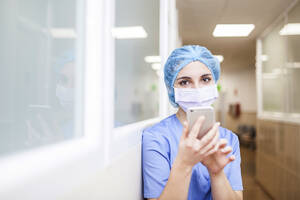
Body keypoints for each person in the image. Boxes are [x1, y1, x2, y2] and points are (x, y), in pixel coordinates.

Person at [142, 45, 243, 200]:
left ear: (214, 82)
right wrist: (184, 164)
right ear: (171, 89)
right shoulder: (156, 137)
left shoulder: (229, 140)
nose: (197, 89)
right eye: (184, 82)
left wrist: (216, 173)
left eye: (205, 79)